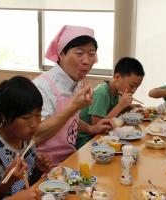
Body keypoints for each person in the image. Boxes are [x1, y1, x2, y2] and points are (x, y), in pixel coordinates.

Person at [32, 25, 111, 165]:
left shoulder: (76, 82)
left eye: (91, 55)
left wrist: (90, 128)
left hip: (70, 159)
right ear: (61, 54)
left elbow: (70, 119)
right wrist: (74, 107)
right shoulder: (42, 86)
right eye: (79, 54)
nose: (86, 61)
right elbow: (36, 134)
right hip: (43, 166)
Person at [0, 76, 50, 199]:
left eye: (38, 115)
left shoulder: (27, 140)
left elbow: (27, 184)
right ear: (5, 116)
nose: (34, 124)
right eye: (25, 117)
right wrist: (6, 183)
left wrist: (39, 169)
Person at [76, 57, 145, 149]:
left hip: (101, 137)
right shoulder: (101, 93)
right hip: (86, 141)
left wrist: (128, 107)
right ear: (117, 77)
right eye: (132, 85)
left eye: (137, 87)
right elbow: (97, 126)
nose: (134, 90)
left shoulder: (115, 92)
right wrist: (120, 106)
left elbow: (110, 115)